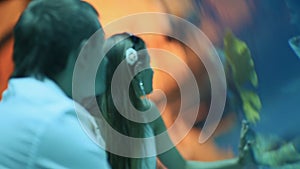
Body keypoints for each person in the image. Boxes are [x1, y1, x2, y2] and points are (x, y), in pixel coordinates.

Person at [85, 32, 254, 169]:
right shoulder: (93, 120)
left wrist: (238, 163)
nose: (152, 72)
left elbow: (182, 165)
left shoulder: (151, 114)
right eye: (147, 65)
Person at [0, 0, 110, 168]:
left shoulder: (15, 102)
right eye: (102, 46)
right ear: (85, 53)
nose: (107, 60)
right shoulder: (56, 121)